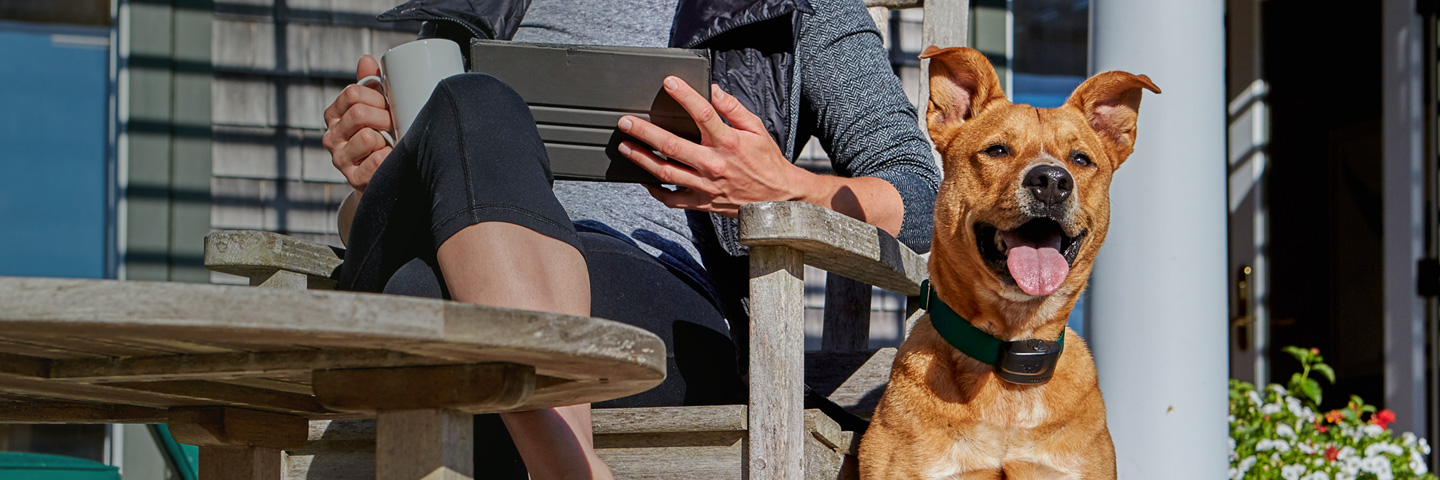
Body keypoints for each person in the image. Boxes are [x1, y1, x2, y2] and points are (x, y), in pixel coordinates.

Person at [321, 0, 940, 477]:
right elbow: (374, 210)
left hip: (645, 296)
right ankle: (567, 462)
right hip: (443, 259)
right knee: (469, 103)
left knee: (421, 298)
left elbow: (920, 194)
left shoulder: (796, 6)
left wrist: (783, 186)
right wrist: (382, 168)